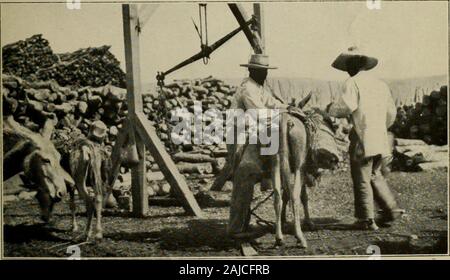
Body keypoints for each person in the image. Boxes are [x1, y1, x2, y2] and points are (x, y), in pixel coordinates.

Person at [326, 46, 405, 230]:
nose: (347, 68)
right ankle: (390, 210)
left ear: (356, 63)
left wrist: (330, 109)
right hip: (380, 136)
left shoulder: (352, 83)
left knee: (361, 176)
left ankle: (366, 219)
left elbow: (346, 107)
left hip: (363, 138)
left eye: (348, 64)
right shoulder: (381, 84)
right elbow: (391, 113)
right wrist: (380, 127)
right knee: (375, 175)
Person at [227, 54, 304, 239]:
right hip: (239, 134)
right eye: (261, 71)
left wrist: (288, 107)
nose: (264, 74)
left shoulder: (259, 87)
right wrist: (282, 112)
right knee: (245, 172)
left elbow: (272, 103)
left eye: (265, 71)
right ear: (251, 70)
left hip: (253, 130)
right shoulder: (247, 89)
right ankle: (236, 228)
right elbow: (259, 114)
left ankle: (244, 222)